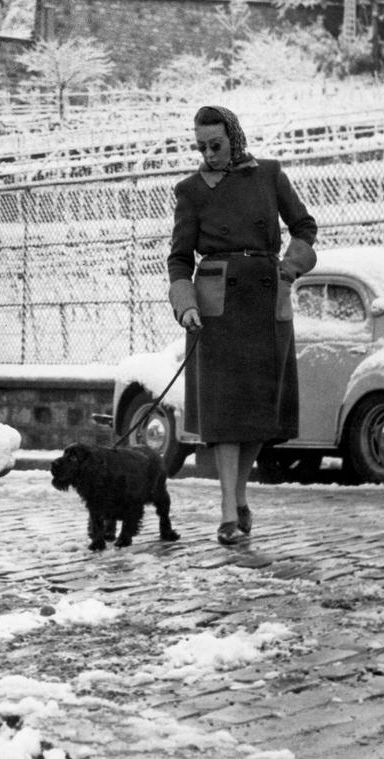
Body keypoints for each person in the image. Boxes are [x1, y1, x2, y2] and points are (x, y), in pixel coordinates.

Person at [166, 105, 318, 545]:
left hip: (266, 299)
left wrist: (289, 269)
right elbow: (179, 258)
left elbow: (304, 227)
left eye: (216, 145)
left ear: (234, 137)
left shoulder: (269, 175)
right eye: (201, 147)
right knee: (225, 412)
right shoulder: (190, 191)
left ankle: (240, 495)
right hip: (217, 307)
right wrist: (185, 303)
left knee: (257, 412)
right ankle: (227, 511)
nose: (209, 154)